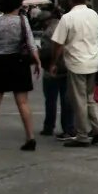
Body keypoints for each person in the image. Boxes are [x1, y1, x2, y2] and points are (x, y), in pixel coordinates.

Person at [0, 0, 41, 153]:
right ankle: (30, 137)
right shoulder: (22, 21)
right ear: (16, 7)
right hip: (19, 61)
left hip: (0, 62)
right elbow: (31, 44)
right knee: (23, 102)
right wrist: (37, 62)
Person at [50, 0, 98, 147]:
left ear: (71, 1)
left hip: (76, 63)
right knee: (89, 98)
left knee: (79, 100)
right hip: (93, 62)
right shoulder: (96, 15)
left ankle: (82, 135)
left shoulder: (67, 18)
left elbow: (58, 43)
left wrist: (54, 62)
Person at [39, 7, 74, 140]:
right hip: (68, 68)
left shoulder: (48, 32)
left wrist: (39, 53)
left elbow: (48, 52)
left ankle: (49, 127)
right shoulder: (64, 26)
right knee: (67, 101)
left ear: (45, 21)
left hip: (52, 70)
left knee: (51, 100)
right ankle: (69, 127)